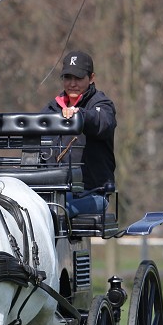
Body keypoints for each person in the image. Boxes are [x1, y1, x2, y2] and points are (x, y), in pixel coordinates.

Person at [42, 50, 117, 216]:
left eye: (78, 78)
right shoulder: (51, 109)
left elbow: (102, 122)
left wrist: (80, 115)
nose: (72, 83)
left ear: (91, 78)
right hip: (55, 192)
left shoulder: (102, 104)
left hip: (93, 193)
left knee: (54, 211)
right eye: (68, 78)